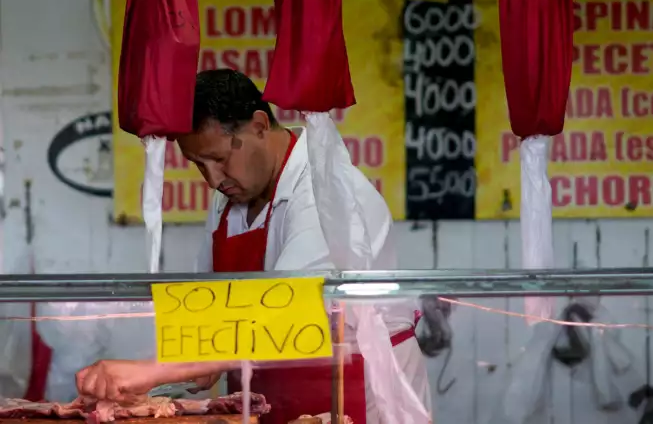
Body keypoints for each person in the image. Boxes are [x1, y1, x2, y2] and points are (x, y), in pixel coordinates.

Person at [75, 69, 430, 424]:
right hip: (268, 395)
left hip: (355, 391)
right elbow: (209, 305)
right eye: (199, 164)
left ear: (259, 126)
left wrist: (151, 370)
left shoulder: (325, 191)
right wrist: (168, 373)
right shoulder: (230, 196)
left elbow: (285, 307)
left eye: (219, 159)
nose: (213, 179)